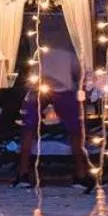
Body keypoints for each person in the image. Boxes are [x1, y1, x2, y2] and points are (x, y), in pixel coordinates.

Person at [18, 12, 95, 191]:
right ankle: (81, 173)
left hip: (40, 88)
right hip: (60, 90)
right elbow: (78, 73)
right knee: (77, 130)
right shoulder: (69, 50)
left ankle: (22, 172)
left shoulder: (39, 49)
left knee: (28, 129)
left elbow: (32, 71)